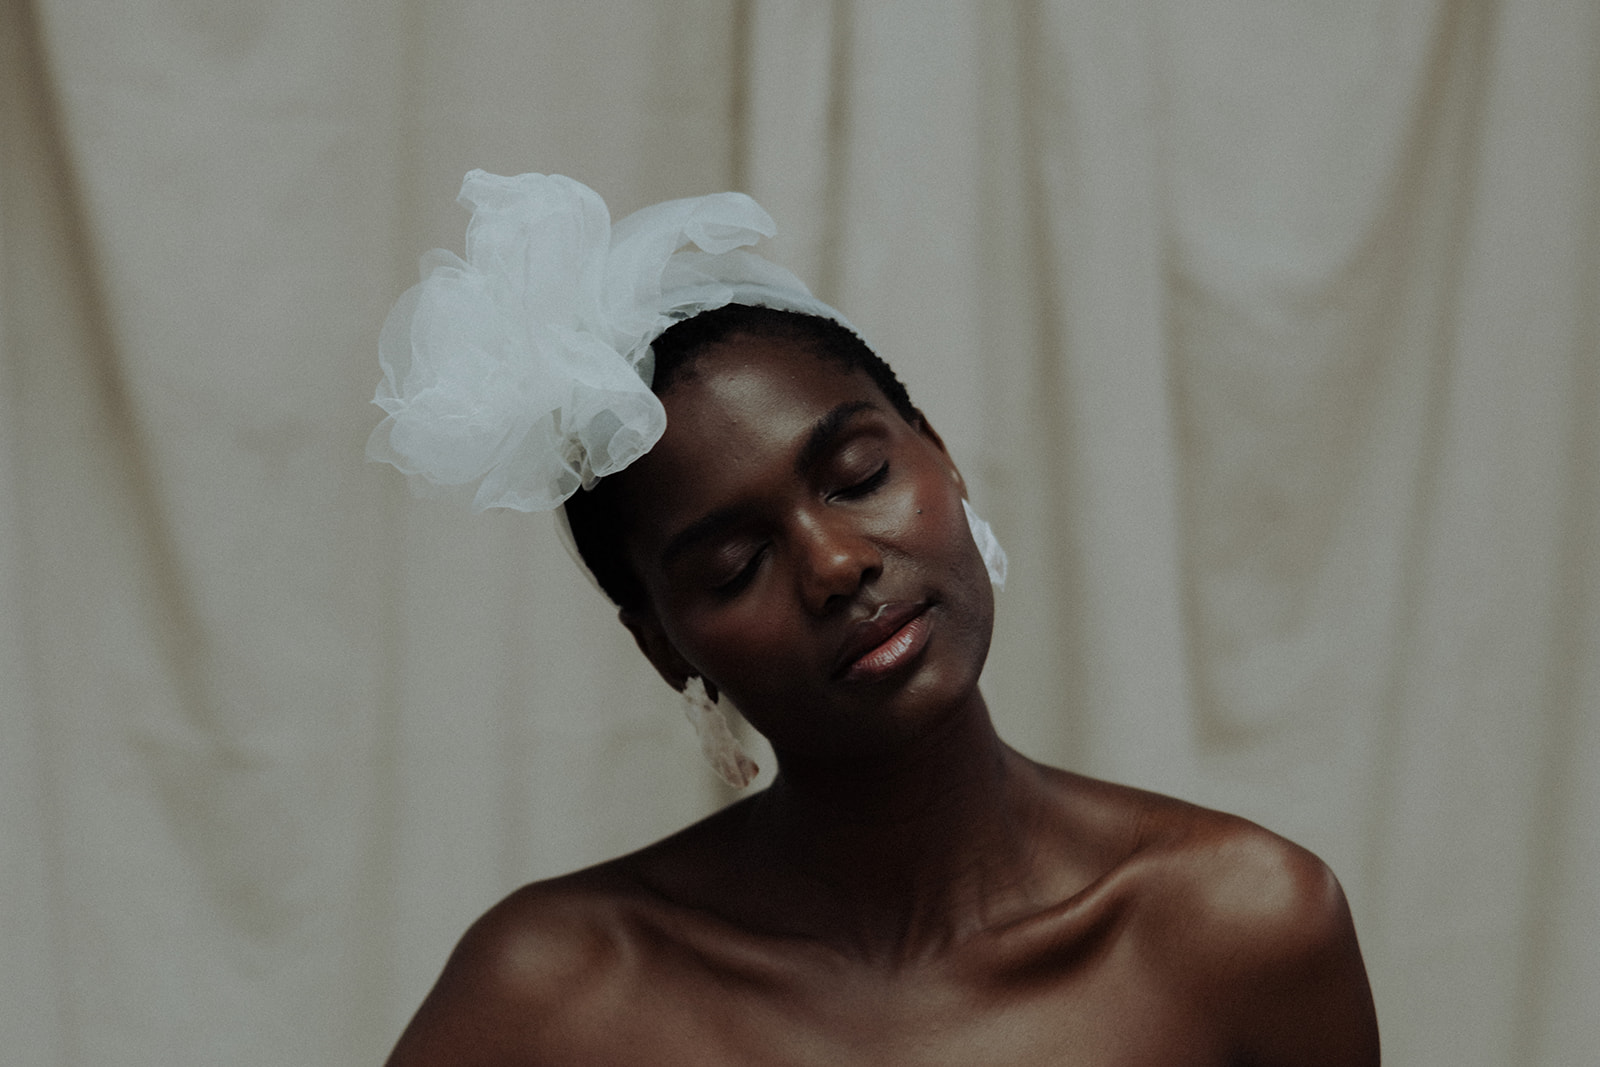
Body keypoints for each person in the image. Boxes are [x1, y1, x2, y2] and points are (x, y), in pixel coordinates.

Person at [371, 172, 1380, 1066]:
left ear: (938, 453)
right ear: (660, 642)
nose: (836, 562)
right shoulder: (558, 989)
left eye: (858, 475)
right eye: (735, 564)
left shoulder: (1242, 925)